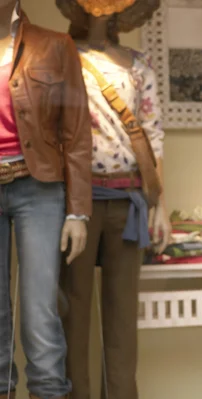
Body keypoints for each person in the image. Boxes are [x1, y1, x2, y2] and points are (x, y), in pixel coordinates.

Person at [55, 1, 170, 398]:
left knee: (122, 320)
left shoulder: (138, 65)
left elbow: (152, 134)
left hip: (128, 200)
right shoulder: (63, 57)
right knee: (74, 311)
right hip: (76, 203)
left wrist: (160, 205)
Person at [0, 0, 92, 398]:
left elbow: (76, 132)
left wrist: (78, 212)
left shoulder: (54, 46)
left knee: (39, 312)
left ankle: (50, 392)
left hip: (38, 188)